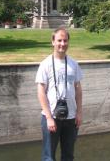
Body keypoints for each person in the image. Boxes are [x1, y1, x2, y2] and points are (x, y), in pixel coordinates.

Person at [35, 27, 82, 161]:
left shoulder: (74, 64)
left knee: (68, 155)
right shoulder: (45, 64)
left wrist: (79, 112)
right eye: (59, 40)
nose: (62, 44)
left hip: (71, 117)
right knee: (49, 156)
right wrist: (49, 117)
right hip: (51, 118)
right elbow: (41, 91)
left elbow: (78, 89)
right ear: (53, 42)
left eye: (65, 40)